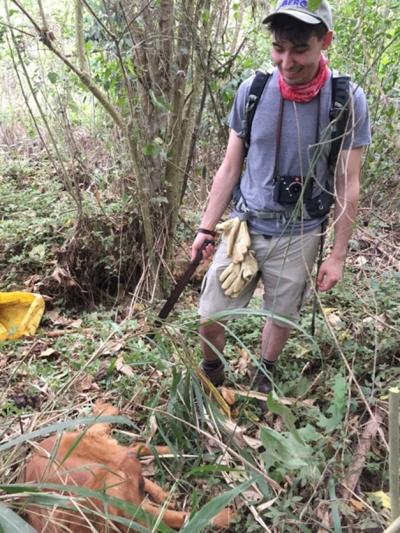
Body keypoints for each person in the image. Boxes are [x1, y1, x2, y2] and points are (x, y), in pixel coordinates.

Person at [191, 0, 371, 393]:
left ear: (326, 41)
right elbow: (229, 167)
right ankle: (213, 371)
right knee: (210, 314)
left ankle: (263, 374)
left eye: (300, 49)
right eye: (278, 47)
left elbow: (347, 183)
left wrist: (338, 255)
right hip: (245, 227)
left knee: (282, 313)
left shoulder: (346, 99)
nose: (286, 61)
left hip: (300, 232)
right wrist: (206, 227)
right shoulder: (253, 90)